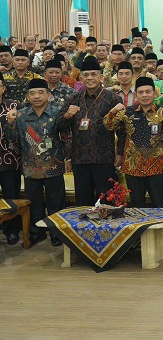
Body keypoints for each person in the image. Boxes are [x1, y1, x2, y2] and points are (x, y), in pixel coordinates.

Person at [7, 79, 68, 246]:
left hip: (53, 165)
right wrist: (10, 124)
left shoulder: (58, 112)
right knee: (34, 203)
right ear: (27, 96)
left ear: (48, 95)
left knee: (56, 202)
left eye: (40, 92)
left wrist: (67, 158)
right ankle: (36, 232)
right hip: (30, 167)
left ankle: (57, 233)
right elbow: (12, 140)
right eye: (32, 93)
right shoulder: (20, 115)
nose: (36, 96)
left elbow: (65, 137)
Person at [103, 77, 163, 208]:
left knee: (159, 202)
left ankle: (159, 229)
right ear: (136, 95)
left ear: (155, 93)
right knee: (136, 204)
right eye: (141, 92)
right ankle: (140, 229)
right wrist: (113, 111)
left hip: (157, 166)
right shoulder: (127, 112)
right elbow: (108, 125)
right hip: (133, 167)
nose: (145, 95)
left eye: (148, 92)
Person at [58, 56, 121, 206]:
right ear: (80, 77)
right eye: (86, 75)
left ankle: (107, 229)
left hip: (104, 158)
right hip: (80, 158)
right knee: (83, 202)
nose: (90, 78)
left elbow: (122, 130)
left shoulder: (113, 99)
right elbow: (59, 126)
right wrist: (67, 115)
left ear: (100, 77)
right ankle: (84, 229)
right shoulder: (73, 98)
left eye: (94, 74)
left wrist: (120, 153)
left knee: (106, 200)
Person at [0, 75, 22, 245]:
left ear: (3, 87)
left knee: (11, 197)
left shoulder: (14, 105)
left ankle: (12, 231)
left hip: (9, 159)